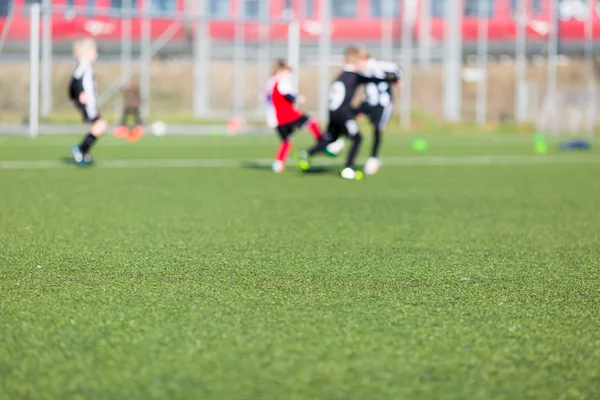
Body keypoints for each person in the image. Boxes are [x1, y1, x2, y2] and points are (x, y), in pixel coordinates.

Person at [296, 47, 398, 180]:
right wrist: (392, 79)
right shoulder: (354, 75)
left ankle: (307, 153)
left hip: (333, 112)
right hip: (343, 113)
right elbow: (373, 79)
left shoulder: (341, 74)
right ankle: (348, 168)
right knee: (357, 138)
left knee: (331, 138)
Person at [325, 57, 401, 175]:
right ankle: (339, 141)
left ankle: (374, 158)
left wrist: (396, 78)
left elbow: (396, 70)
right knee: (347, 115)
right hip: (368, 103)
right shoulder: (361, 72)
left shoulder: (378, 65)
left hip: (381, 105)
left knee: (377, 129)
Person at [264, 59, 323, 173]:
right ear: (280, 71)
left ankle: (278, 164)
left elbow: (266, 97)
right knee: (312, 123)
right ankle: (323, 143)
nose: (289, 75)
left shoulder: (269, 83)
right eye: (287, 72)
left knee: (287, 141)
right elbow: (287, 94)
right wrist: (297, 98)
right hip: (287, 115)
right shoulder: (281, 82)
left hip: (275, 119)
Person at [69, 38, 107, 166]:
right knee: (100, 125)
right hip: (87, 104)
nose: (96, 55)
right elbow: (75, 81)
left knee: (100, 125)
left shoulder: (86, 66)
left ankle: (83, 150)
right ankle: (81, 149)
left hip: (91, 104)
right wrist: (79, 94)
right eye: (94, 52)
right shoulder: (83, 65)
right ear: (86, 53)